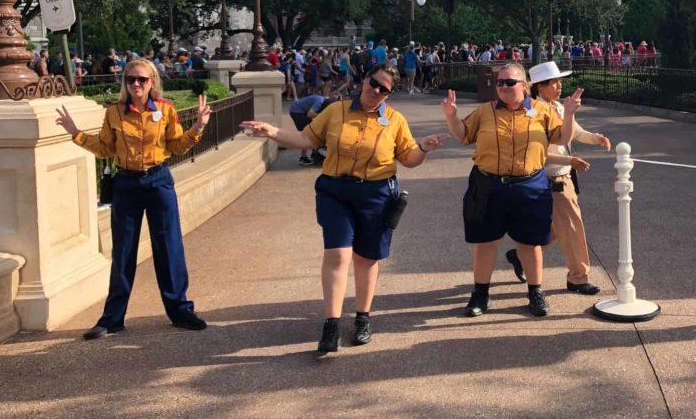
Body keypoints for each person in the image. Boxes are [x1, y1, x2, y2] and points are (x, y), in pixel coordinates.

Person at [242, 64, 449, 354]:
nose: (376, 90)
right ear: (364, 79)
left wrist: (423, 148)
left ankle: (363, 317)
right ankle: (332, 323)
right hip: (336, 191)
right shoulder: (335, 111)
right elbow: (306, 139)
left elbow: (408, 159)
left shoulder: (395, 120)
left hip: (376, 194)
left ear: (389, 94)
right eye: (374, 82)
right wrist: (272, 131)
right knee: (337, 254)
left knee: (366, 258)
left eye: (384, 89)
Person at [55, 59, 211, 339]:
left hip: (158, 181)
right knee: (123, 252)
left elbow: (176, 145)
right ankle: (112, 319)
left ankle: (180, 310)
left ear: (152, 82)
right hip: (126, 184)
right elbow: (105, 149)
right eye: (130, 79)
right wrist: (75, 133)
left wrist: (198, 127)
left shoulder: (165, 109)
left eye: (142, 79)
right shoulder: (114, 112)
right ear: (125, 83)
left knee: (169, 247)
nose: (136, 84)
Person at [441, 62, 583, 318]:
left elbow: (563, 138)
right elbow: (463, 136)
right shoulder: (484, 111)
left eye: (509, 82)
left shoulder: (542, 110)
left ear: (524, 85)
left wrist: (570, 114)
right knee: (485, 242)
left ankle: (535, 292)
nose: (503, 87)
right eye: (500, 83)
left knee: (530, 242)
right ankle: (480, 294)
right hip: (488, 184)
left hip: (529, 185)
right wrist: (451, 116)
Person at [527, 61, 611, 295]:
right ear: (540, 86)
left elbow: (575, 132)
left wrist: (596, 138)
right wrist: (570, 160)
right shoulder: (531, 112)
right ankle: (578, 277)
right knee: (572, 227)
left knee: (553, 229)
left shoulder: (558, 107)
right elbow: (538, 152)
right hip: (550, 178)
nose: (559, 86)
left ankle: (523, 255)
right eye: (554, 82)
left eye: (559, 81)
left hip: (563, 177)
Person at [288, 93, 329, 165]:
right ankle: (303, 158)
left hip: (302, 111)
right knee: (307, 133)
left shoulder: (323, 100)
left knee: (312, 131)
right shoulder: (319, 102)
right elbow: (310, 114)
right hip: (297, 111)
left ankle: (314, 154)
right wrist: (322, 116)